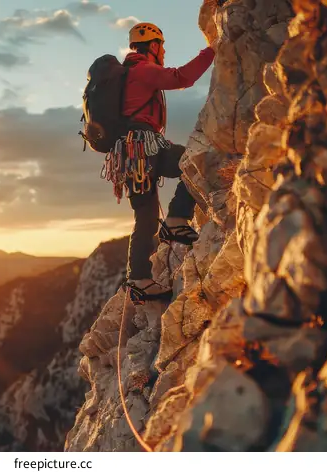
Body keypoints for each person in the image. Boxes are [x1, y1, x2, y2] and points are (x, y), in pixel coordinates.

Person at [122, 22, 216, 297]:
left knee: (146, 216)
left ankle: (138, 279)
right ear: (153, 45)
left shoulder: (127, 73)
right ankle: (177, 218)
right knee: (193, 160)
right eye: (161, 46)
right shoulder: (142, 69)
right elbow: (180, 78)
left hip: (129, 155)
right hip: (144, 147)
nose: (163, 52)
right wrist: (212, 51)